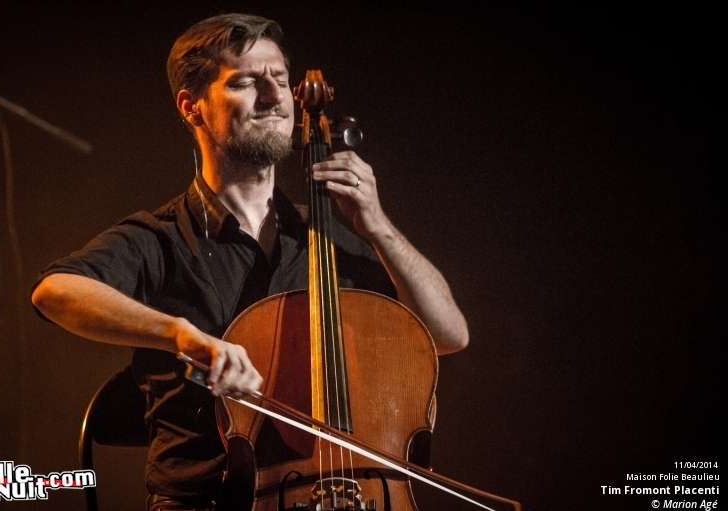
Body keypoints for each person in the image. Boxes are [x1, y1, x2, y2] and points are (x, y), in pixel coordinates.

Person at [31, 13, 468, 511]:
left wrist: (379, 227)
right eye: (245, 82)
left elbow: (447, 334)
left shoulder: (327, 240)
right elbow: (56, 290)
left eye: (280, 80)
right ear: (192, 107)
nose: (274, 95)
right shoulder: (160, 239)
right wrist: (182, 335)